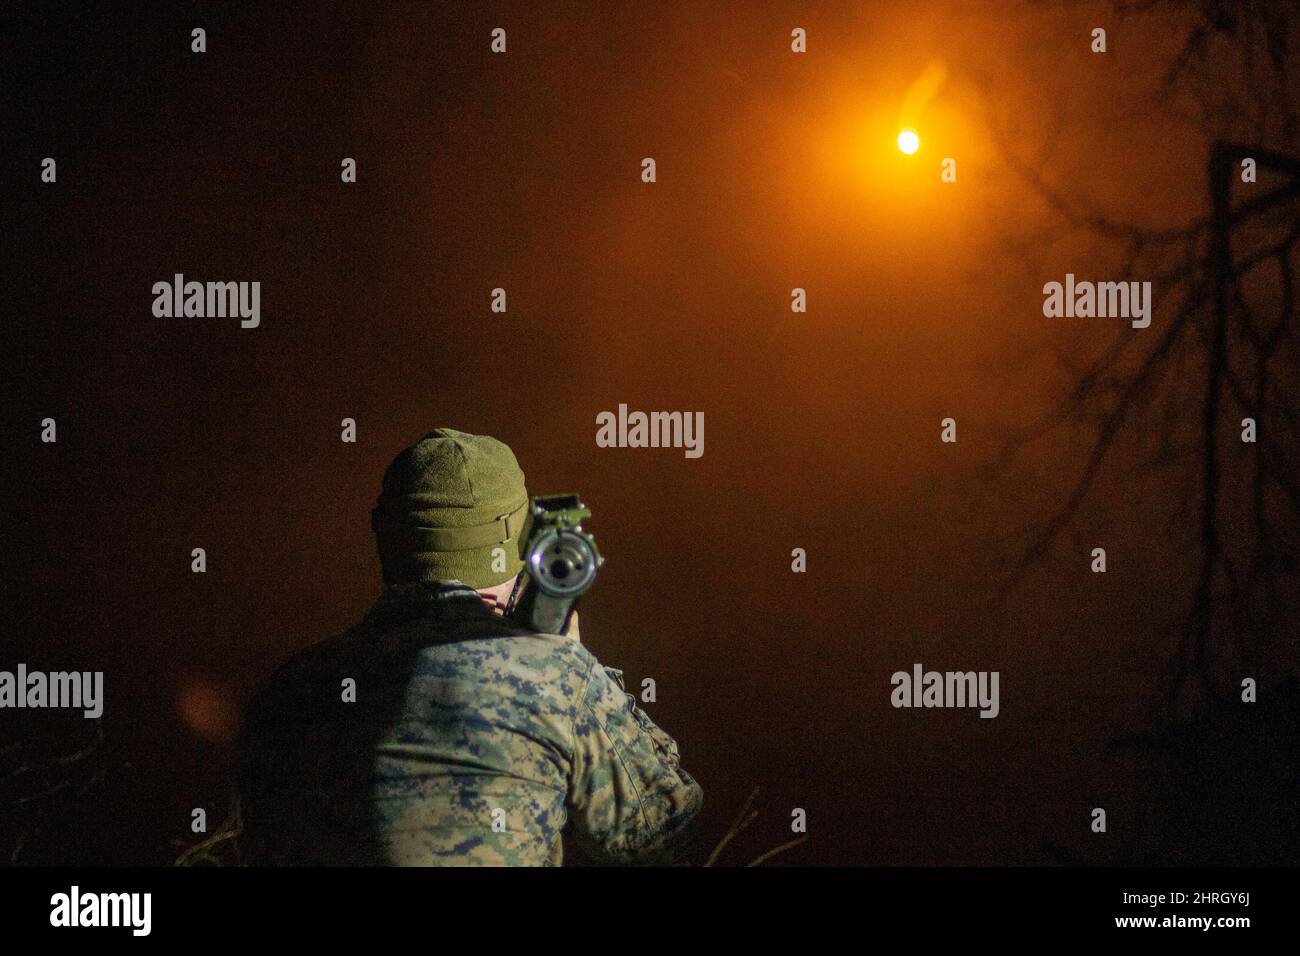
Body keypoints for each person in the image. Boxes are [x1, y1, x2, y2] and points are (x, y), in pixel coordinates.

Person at [237, 428, 703, 865]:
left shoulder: (290, 692)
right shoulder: (559, 677)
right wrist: (571, 662)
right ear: (526, 547)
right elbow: (664, 832)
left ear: (388, 541)